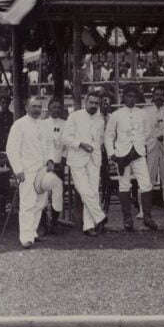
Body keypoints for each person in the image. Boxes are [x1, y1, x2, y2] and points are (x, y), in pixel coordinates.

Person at [6, 97, 63, 248]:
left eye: (39, 106)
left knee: (40, 202)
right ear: (26, 107)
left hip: (42, 169)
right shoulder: (19, 125)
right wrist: (18, 170)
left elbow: (50, 144)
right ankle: (25, 237)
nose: (37, 109)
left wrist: (51, 160)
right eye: (34, 106)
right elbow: (11, 149)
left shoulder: (44, 125)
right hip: (26, 170)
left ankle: (33, 232)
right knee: (27, 203)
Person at [105, 85, 157, 231]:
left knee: (146, 184)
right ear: (124, 97)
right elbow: (108, 136)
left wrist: (138, 142)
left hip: (138, 154)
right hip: (122, 156)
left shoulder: (142, 113)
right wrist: (112, 153)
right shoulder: (116, 114)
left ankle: (147, 217)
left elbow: (148, 132)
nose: (131, 99)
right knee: (124, 185)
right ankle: (127, 219)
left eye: (134, 96)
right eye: (128, 96)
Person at [62, 91, 108, 237]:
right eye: (91, 102)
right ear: (85, 102)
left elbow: (100, 140)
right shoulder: (75, 116)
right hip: (77, 158)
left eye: (96, 103)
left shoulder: (100, 120)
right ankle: (100, 216)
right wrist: (81, 144)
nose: (94, 106)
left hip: (94, 159)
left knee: (93, 191)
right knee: (84, 190)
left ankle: (89, 226)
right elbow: (65, 138)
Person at [146, 86, 164, 219]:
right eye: (156, 94)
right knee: (148, 178)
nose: (159, 97)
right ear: (153, 96)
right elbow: (144, 131)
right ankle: (144, 208)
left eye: (161, 95)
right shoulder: (146, 112)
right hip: (151, 147)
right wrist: (155, 136)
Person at [39, 98, 67, 235]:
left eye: (58, 107)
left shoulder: (65, 124)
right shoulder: (42, 124)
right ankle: (43, 224)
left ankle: (54, 222)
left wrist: (63, 160)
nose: (56, 109)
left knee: (58, 193)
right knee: (43, 194)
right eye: (53, 107)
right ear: (49, 108)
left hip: (58, 163)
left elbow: (67, 145)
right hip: (44, 165)